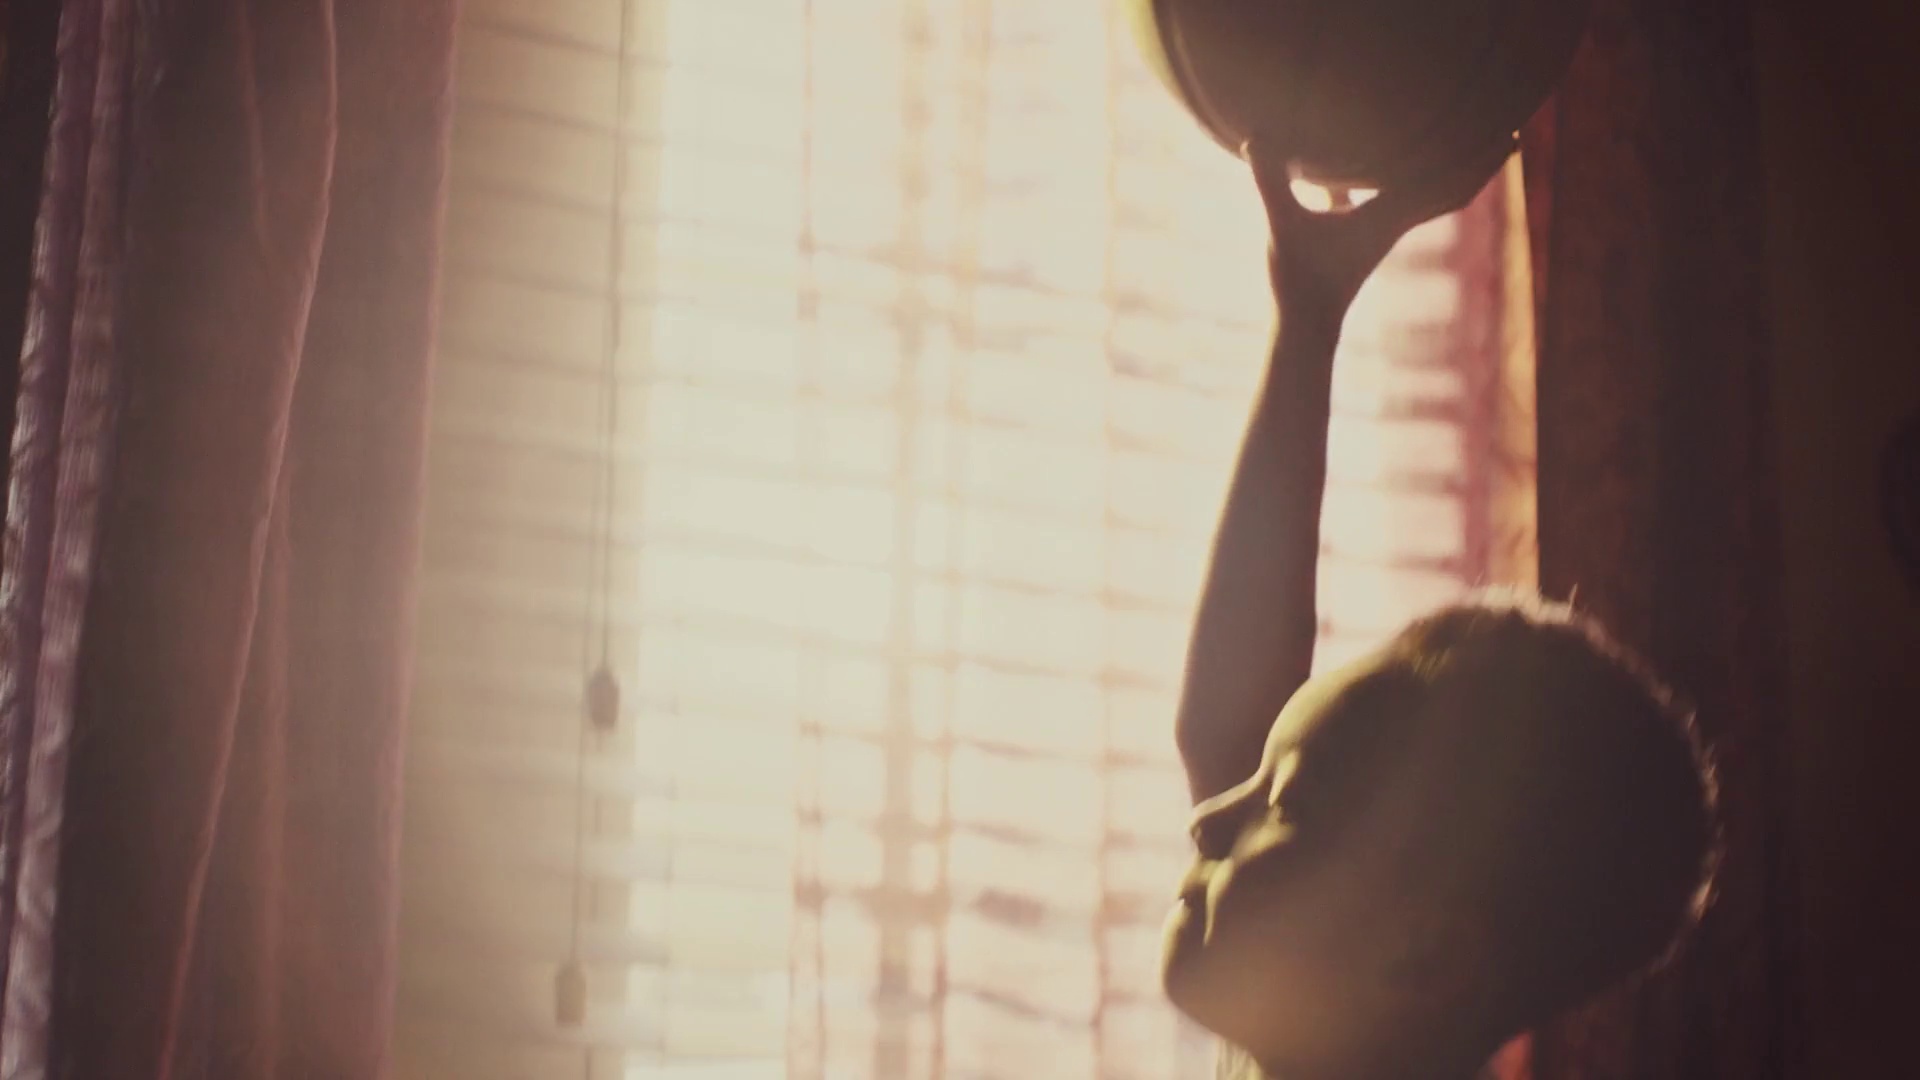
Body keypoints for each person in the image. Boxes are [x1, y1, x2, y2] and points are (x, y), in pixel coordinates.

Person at [1163, 136, 1719, 1080]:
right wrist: (1308, 321)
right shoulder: (1317, 1022)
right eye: (1261, 782)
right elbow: (1224, 724)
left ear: (1424, 959)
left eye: (1284, 802)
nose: (1208, 820)